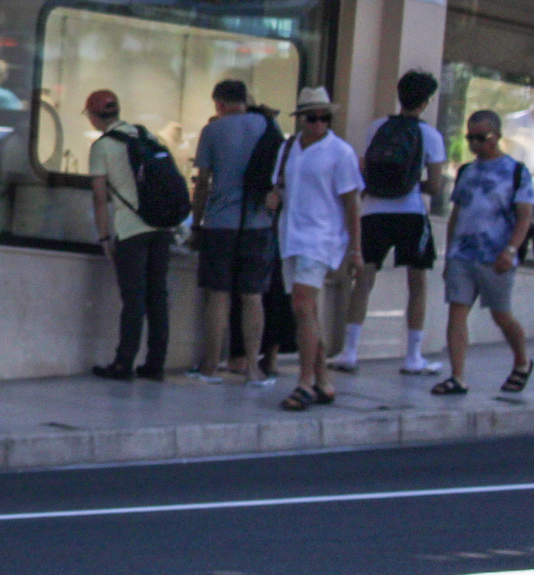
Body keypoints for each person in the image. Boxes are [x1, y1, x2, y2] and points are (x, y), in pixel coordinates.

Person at [332, 69, 447, 375]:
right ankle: (413, 356)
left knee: (364, 281)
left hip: (373, 212)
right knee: (418, 283)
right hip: (411, 213)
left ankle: (350, 351)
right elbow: (435, 187)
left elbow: (365, 171)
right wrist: (411, 185)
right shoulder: (430, 136)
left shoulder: (376, 128)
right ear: (425, 102)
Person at [268, 86, 363, 410]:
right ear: (302, 119)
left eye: (325, 117)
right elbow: (279, 186)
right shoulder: (289, 148)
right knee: (305, 311)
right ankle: (322, 380)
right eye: (313, 117)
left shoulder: (341, 153)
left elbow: (352, 203)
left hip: (320, 237)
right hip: (290, 236)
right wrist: (274, 198)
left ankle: (305, 381)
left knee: (303, 305)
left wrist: (355, 249)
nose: (319, 123)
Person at [431, 109, 533, 398]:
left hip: (496, 256)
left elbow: (525, 216)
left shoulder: (516, 172)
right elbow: (456, 215)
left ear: (497, 136)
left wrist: (511, 249)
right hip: (463, 255)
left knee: (501, 316)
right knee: (457, 313)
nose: (475, 144)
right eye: (470, 138)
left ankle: (522, 362)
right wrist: (449, 254)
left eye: (481, 138)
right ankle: (458, 377)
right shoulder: (466, 171)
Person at [187, 78, 275, 381]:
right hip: (257, 221)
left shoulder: (212, 130)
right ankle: (252, 367)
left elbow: (202, 185)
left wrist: (196, 224)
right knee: (253, 296)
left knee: (218, 295)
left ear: (220, 104)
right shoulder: (265, 125)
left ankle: (211, 364)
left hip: (220, 224)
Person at [86, 89, 174, 381]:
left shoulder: (102, 147)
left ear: (95, 116)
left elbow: (100, 198)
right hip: (161, 228)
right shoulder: (145, 136)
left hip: (131, 230)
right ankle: (156, 365)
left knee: (134, 299)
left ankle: (123, 364)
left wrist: (103, 237)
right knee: (157, 297)